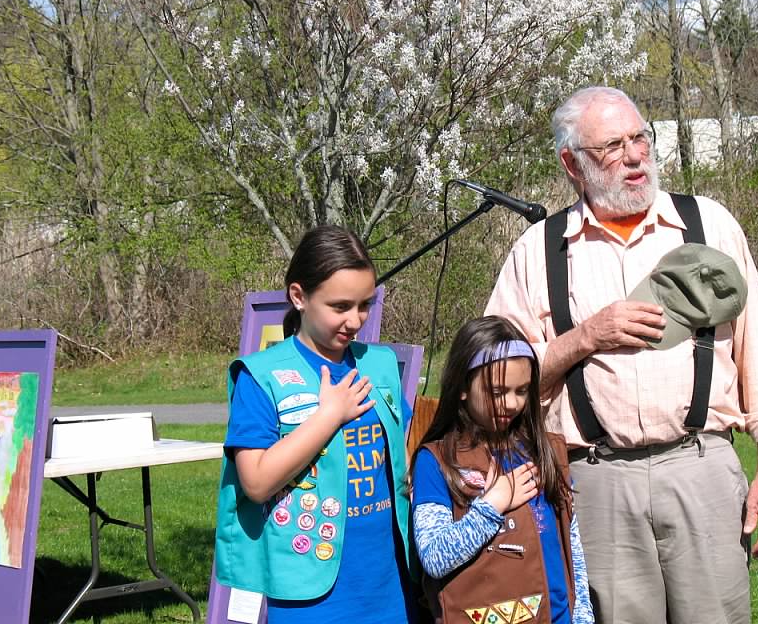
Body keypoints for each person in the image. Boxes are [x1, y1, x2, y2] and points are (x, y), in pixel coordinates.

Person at [485, 87, 758, 624]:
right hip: (597, 479)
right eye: (612, 146)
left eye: (640, 138)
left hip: (702, 467)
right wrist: (584, 338)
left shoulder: (709, 225)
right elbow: (495, 380)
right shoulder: (538, 250)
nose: (634, 156)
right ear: (572, 164)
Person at [214, 225, 416, 623]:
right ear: (299, 297)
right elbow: (255, 482)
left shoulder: (381, 365)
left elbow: (404, 447)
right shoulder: (261, 377)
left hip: (387, 578)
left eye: (365, 305)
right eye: (340, 306)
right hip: (307, 586)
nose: (355, 320)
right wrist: (328, 417)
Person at [411, 315, 594, 624]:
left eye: (521, 391)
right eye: (497, 392)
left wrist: (583, 616)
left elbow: (571, 545)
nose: (511, 403)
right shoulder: (436, 460)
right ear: (462, 388)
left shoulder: (545, 451)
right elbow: (434, 557)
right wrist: (493, 504)